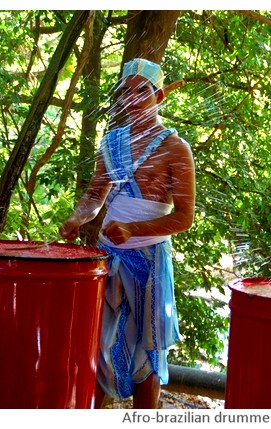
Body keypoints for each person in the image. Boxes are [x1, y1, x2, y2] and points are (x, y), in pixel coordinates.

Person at [59, 58, 196, 408]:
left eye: (141, 92)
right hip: (109, 254)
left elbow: (183, 218)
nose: (132, 99)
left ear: (159, 96)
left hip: (150, 261)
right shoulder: (112, 142)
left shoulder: (175, 148)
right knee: (100, 341)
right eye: (125, 93)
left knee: (150, 350)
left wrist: (133, 229)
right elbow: (94, 196)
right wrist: (77, 219)